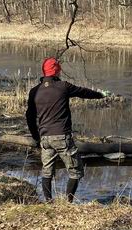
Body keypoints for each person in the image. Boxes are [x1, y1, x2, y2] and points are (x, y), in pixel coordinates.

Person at [26, 57, 106, 202]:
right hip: (62, 136)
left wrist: (36, 137)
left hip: (45, 138)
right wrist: (100, 95)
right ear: (56, 72)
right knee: (75, 171)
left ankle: (49, 202)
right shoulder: (63, 86)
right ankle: (68, 202)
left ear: (44, 72)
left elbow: (29, 117)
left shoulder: (34, 91)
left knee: (47, 171)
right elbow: (84, 92)